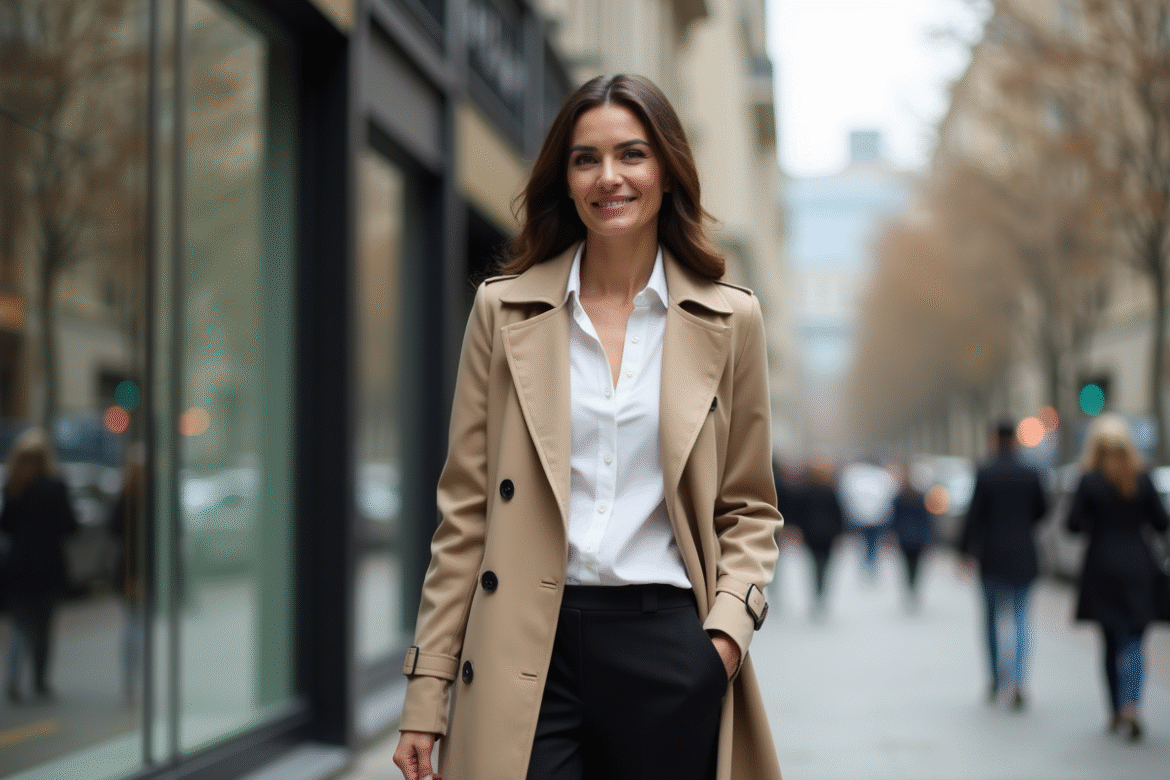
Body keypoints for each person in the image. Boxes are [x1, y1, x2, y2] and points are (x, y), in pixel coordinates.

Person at [393, 74, 784, 780]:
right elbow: (465, 515)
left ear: (667, 171)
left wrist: (723, 639)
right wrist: (428, 690)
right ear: (566, 180)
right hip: (525, 646)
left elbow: (750, 507)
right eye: (585, 159)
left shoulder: (731, 320)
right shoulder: (503, 311)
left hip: (669, 648)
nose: (609, 177)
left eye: (631, 154)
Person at [1066, 414, 1170, 741]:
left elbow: (1072, 525)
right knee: (1135, 639)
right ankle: (1132, 706)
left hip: (1101, 566)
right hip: (1139, 565)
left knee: (1110, 643)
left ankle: (1114, 710)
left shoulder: (1088, 480)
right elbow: (1162, 522)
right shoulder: (1142, 478)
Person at [958, 418, 1048, 710]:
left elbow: (974, 516)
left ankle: (997, 678)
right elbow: (1042, 511)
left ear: (994, 439)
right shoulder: (1031, 472)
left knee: (991, 619)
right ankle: (1019, 680)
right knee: (1021, 617)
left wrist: (964, 552)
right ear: (1016, 439)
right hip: (1024, 554)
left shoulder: (985, 472)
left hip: (991, 555)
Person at [1, 428, 78, 703]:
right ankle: (39, 681)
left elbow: (6, 526)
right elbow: (70, 525)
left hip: (19, 567)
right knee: (43, 628)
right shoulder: (55, 487)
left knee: (20, 627)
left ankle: (14, 678)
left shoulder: (14, 486)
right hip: (47, 566)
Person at [108, 445, 145, 706]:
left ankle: (130, 681)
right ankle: (136, 679)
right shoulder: (149, 497)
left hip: (129, 570)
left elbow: (113, 530)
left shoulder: (126, 496)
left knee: (132, 625)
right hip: (140, 571)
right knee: (137, 626)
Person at [788, 461, 843, 617]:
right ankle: (820, 592)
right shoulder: (830, 491)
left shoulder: (805, 490)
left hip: (812, 534)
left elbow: (798, 514)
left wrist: (796, 529)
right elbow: (838, 514)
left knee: (814, 565)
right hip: (827, 534)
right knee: (824, 565)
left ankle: (817, 591)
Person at [838, 458, 896, 580]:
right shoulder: (882, 476)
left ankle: (867, 564)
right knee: (871, 542)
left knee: (867, 542)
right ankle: (869, 564)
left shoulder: (858, 475)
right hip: (875, 517)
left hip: (865, 517)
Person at [889, 462, 934, 610]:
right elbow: (927, 520)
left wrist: (893, 534)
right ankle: (912, 587)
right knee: (916, 566)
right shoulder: (919, 498)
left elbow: (893, 519)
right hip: (918, 538)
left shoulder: (899, 498)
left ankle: (910, 587)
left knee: (907, 565)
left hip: (905, 537)